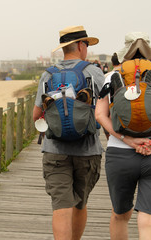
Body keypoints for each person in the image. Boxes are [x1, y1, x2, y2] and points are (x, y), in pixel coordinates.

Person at [95, 32, 151, 240]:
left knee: (120, 214)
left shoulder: (111, 78)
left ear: (124, 52)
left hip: (121, 155)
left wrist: (128, 140)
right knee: (149, 219)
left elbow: (99, 114)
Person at [32, 25, 105, 240]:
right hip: (88, 150)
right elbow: (107, 109)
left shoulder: (48, 75)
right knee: (80, 205)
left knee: (61, 207)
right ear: (81, 46)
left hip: (55, 151)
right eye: (87, 45)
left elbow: (36, 115)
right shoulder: (93, 72)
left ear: (64, 48)